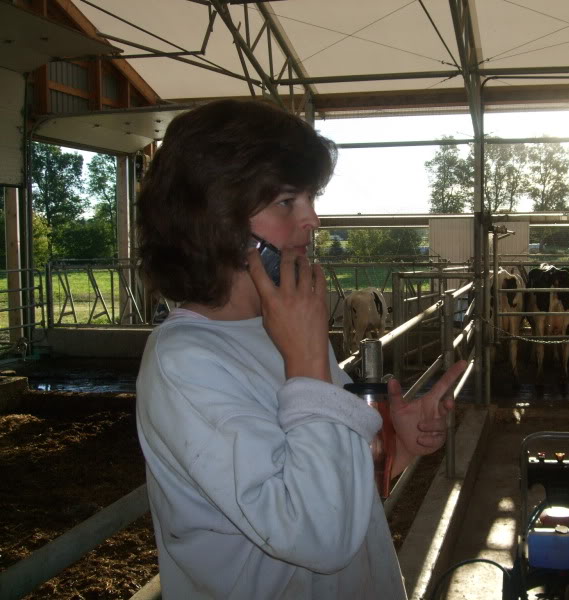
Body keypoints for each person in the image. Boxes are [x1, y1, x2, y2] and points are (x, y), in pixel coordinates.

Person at [135, 98, 467, 600]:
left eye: (311, 198)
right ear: (214, 214)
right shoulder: (186, 363)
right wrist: (309, 362)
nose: (313, 220)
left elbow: (335, 485)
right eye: (287, 202)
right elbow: (318, 534)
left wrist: (394, 447)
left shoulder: (283, 326)